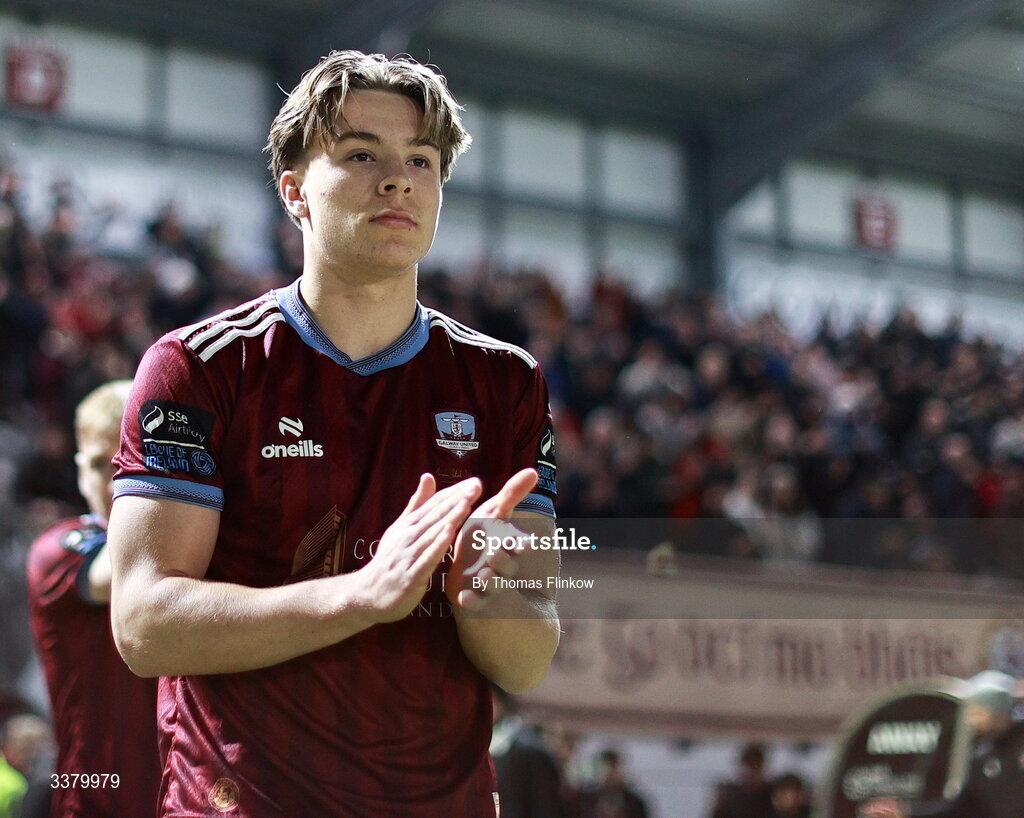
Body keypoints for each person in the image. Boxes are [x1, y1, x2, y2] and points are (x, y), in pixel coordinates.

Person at [108, 50, 560, 817]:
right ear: (294, 193)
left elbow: (530, 660)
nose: (398, 180)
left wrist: (485, 598)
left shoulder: (507, 382)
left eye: (421, 160)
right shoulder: (198, 367)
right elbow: (145, 624)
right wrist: (359, 596)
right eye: (361, 155)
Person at [25, 379, 161, 817]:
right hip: (94, 797)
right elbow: (122, 572)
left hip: (183, 793)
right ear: (80, 468)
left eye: (134, 459)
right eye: (103, 464)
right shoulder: (56, 550)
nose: (118, 480)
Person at [862, 671, 1024, 818]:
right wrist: (907, 814)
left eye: (978, 713)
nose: (972, 721)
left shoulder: (1018, 747)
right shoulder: (982, 756)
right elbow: (960, 809)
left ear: (999, 712)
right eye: (970, 713)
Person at [491, 685, 564, 818]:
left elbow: (544, 803)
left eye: (491, 701)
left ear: (502, 704)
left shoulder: (528, 750)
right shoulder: (468, 745)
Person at [711, 742, 774, 818]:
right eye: (749, 765)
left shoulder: (772, 794)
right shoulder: (730, 795)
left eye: (756, 765)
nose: (752, 770)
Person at [580, 749, 649, 818]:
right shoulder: (586, 802)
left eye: (613, 769)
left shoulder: (635, 804)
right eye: (605, 770)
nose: (609, 775)